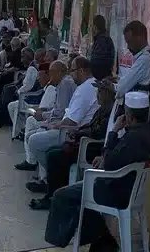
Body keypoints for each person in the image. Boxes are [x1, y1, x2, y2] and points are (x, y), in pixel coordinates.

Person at [44, 91, 150, 250]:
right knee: (82, 204)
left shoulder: (132, 138)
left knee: (62, 196)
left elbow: (110, 162)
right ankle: (99, 240)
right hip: (132, 189)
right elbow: (118, 157)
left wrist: (114, 131)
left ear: (130, 117)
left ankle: (58, 240)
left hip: (113, 189)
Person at [29, 77, 115, 210]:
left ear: (108, 94)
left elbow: (97, 131)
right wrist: (79, 131)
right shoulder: (102, 109)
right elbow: (90, 125)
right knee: (52, 151)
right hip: (84, 143)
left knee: (54, 156)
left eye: (101, 92)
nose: (97, 94)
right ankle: (55, 191)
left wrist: (79, 133)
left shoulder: (110, 111)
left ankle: (53, 197)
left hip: (92, 148)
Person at [26, 56, 99, 193]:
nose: (70, 74)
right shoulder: (86, 86)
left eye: (72, 70)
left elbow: (70, 121)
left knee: (34, 140)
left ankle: (54, 179)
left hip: (71, 133)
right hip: (72, 130)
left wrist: (54, 125)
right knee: (35, 135)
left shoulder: (84, 89)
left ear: (82, 71)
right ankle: (51, 178)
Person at [16, 60, 77, 171]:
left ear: (58, 73)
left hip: (63, 127)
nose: (50, 76)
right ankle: (37, 167)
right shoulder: (62, 84)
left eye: (51, 73)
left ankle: (49, 174)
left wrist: (43, 115)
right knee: (31, 132)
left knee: (33, 139)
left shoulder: (64, 84)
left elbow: (60, 112)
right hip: (58, 122)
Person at [115, 20, 150, 127]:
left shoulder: (144, 60)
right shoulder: (147, 57)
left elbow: (121, 88)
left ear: (140, 37)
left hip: (140, 124)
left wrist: (112, 87)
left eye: (129, 42)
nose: (127, 47)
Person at [89, 15, 115, 80]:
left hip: (101, 78)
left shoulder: (102, 40)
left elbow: (97, 62)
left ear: (95, 27)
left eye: (92, 26)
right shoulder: (104, 39)